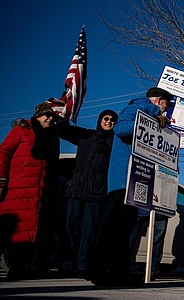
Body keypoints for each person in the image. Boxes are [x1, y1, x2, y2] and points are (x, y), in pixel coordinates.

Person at [90, 87, 173, 287]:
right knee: (114, 229)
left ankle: (119, 272)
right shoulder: (136, 108)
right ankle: (101, 272)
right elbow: (121, 129)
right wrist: (153, 117)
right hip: (122, 180)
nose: (166, 110)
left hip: (136, 180)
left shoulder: (148, 112)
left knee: (125, 229)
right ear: (159, 100)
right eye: (166, 105)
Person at [0, 102, 60, 279]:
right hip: (17, 190)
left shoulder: (52, 138)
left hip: (39, 192)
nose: (49, 118)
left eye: (51, 115)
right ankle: (16, 267)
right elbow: (4, 152)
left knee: (32, 231)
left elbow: (53, 165)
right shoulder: (21, 131)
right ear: (37, 116)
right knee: (15, 230)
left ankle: (22, 267)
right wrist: (1, 179)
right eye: (45, 115)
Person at [57, 109, 118, 280]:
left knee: (89, 230)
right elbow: (64, 132)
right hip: (75, 189)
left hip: (96, 192)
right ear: (100, 120)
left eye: (112, 120)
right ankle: (67, 262)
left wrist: (107, 150)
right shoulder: (86, 136)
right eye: (105, 118)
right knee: (71, 228)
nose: (108, 122)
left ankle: (83, 264)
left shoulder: (115, 142)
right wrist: (63, 118)